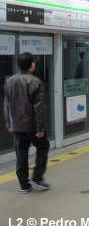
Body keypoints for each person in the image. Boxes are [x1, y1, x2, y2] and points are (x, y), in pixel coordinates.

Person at [4, 52, 50, 193]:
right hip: (32, 125)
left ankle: (24, 185)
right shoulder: (35, 82)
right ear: (31, 64)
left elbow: (7, 105)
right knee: (43, 147)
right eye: (34, 62)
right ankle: (37, 177)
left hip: (17, 125)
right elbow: (39, 107)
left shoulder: (9, 81)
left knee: (21, 153)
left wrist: (9, 123)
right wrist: (40, 128)